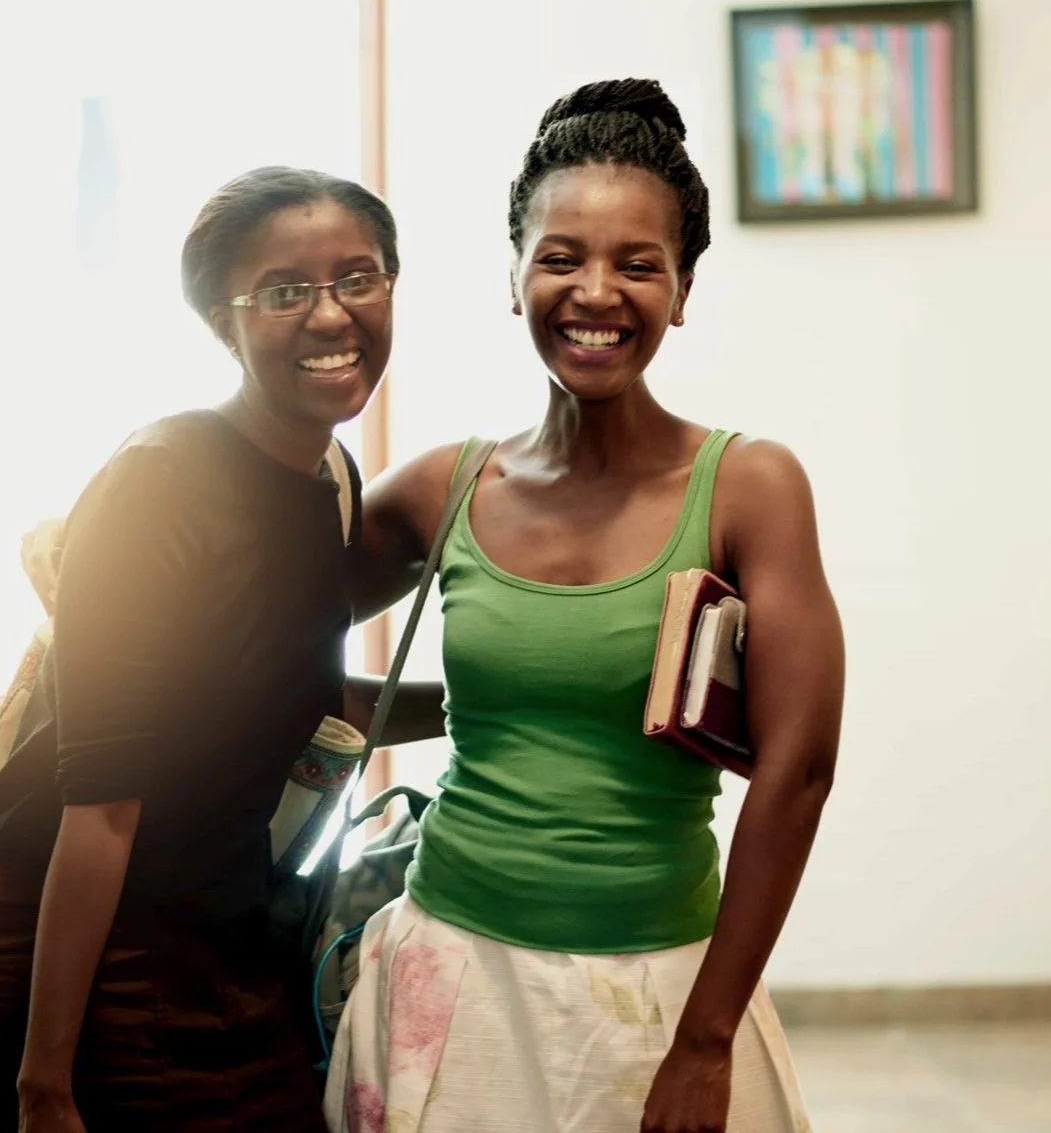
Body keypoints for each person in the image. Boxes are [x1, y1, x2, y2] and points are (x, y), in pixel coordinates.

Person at [327, 80, 845, 1133]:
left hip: (657, 992)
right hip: (449, 971)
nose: (594, 291)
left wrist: (704, 1042)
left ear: (683, 288)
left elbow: (798, 769)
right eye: (559, 256)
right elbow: (260, 621)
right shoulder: (445, 489)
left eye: (636, 263)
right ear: (512, 278)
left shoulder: (748, 487)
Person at [0, 165, 403, 1132]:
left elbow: (277, 701)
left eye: (360, 277)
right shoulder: (162, 483)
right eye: (284, 291)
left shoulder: (328, 478)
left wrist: (512, 696)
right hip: (64, 937)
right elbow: (100, 801)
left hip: (221, 932)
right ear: (223, 324)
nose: (331, 315)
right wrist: (44, 1081)